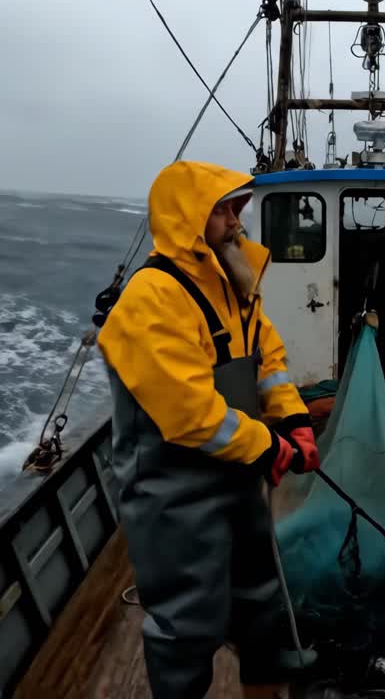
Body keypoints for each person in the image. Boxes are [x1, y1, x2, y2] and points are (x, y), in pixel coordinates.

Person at [97, 160, 321, 698]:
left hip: (238, 471)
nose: (235, 220)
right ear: (187, 218)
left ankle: (265, 676)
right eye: (222, 209)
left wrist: (292, 418)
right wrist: (268, 446)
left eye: (237, 208)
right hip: (174, 487)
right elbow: (189, 414)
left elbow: (269, 358)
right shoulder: (152, 298)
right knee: (185, 617)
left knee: (259, 588)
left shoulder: (233, 282)